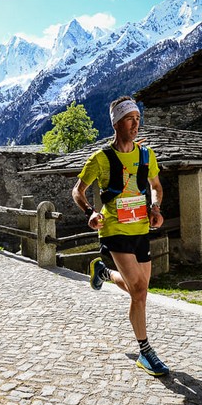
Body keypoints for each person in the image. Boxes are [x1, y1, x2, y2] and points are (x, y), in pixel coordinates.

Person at [71, 96, 169, 376]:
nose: (136, 124)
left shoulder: (146, 155)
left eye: (138, 118)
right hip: (113, 228)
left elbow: (156, 186)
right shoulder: (100, 159)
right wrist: (90, 211)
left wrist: (155, 207)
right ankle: (146, 352)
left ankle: (103, 273)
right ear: (116, 123)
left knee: (140, 291)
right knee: (138, 290)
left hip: (140, 229)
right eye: (130, 118)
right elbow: (78, 190)